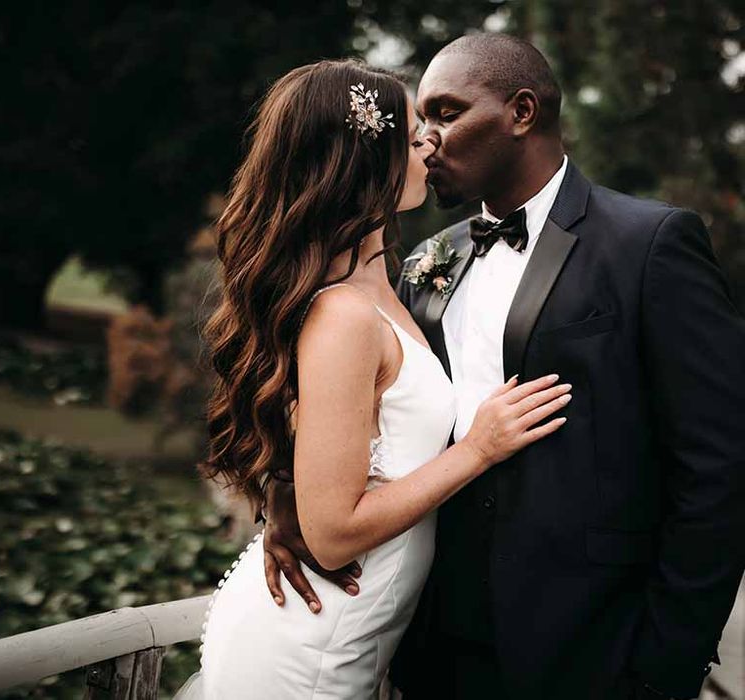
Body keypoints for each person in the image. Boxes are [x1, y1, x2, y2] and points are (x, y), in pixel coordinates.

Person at [261, 34, 745, 700]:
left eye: (446, 113)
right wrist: (285, 496)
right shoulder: (426, 262)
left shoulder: (649, 245)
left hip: (594, 648)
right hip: (433, 648)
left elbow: (718, 468)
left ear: (521, 113)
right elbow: (352, 399)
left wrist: (669, 660)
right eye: (419, 122)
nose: (427, 140)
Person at [173, 58, 569, 699]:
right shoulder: (344, 315)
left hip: (358, 637)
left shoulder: (392, 283)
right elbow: (330, 537)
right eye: (414, 136)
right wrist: (478, 447)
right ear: (367, 161)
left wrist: (285, 482)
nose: (430, 145)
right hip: (310, 648)